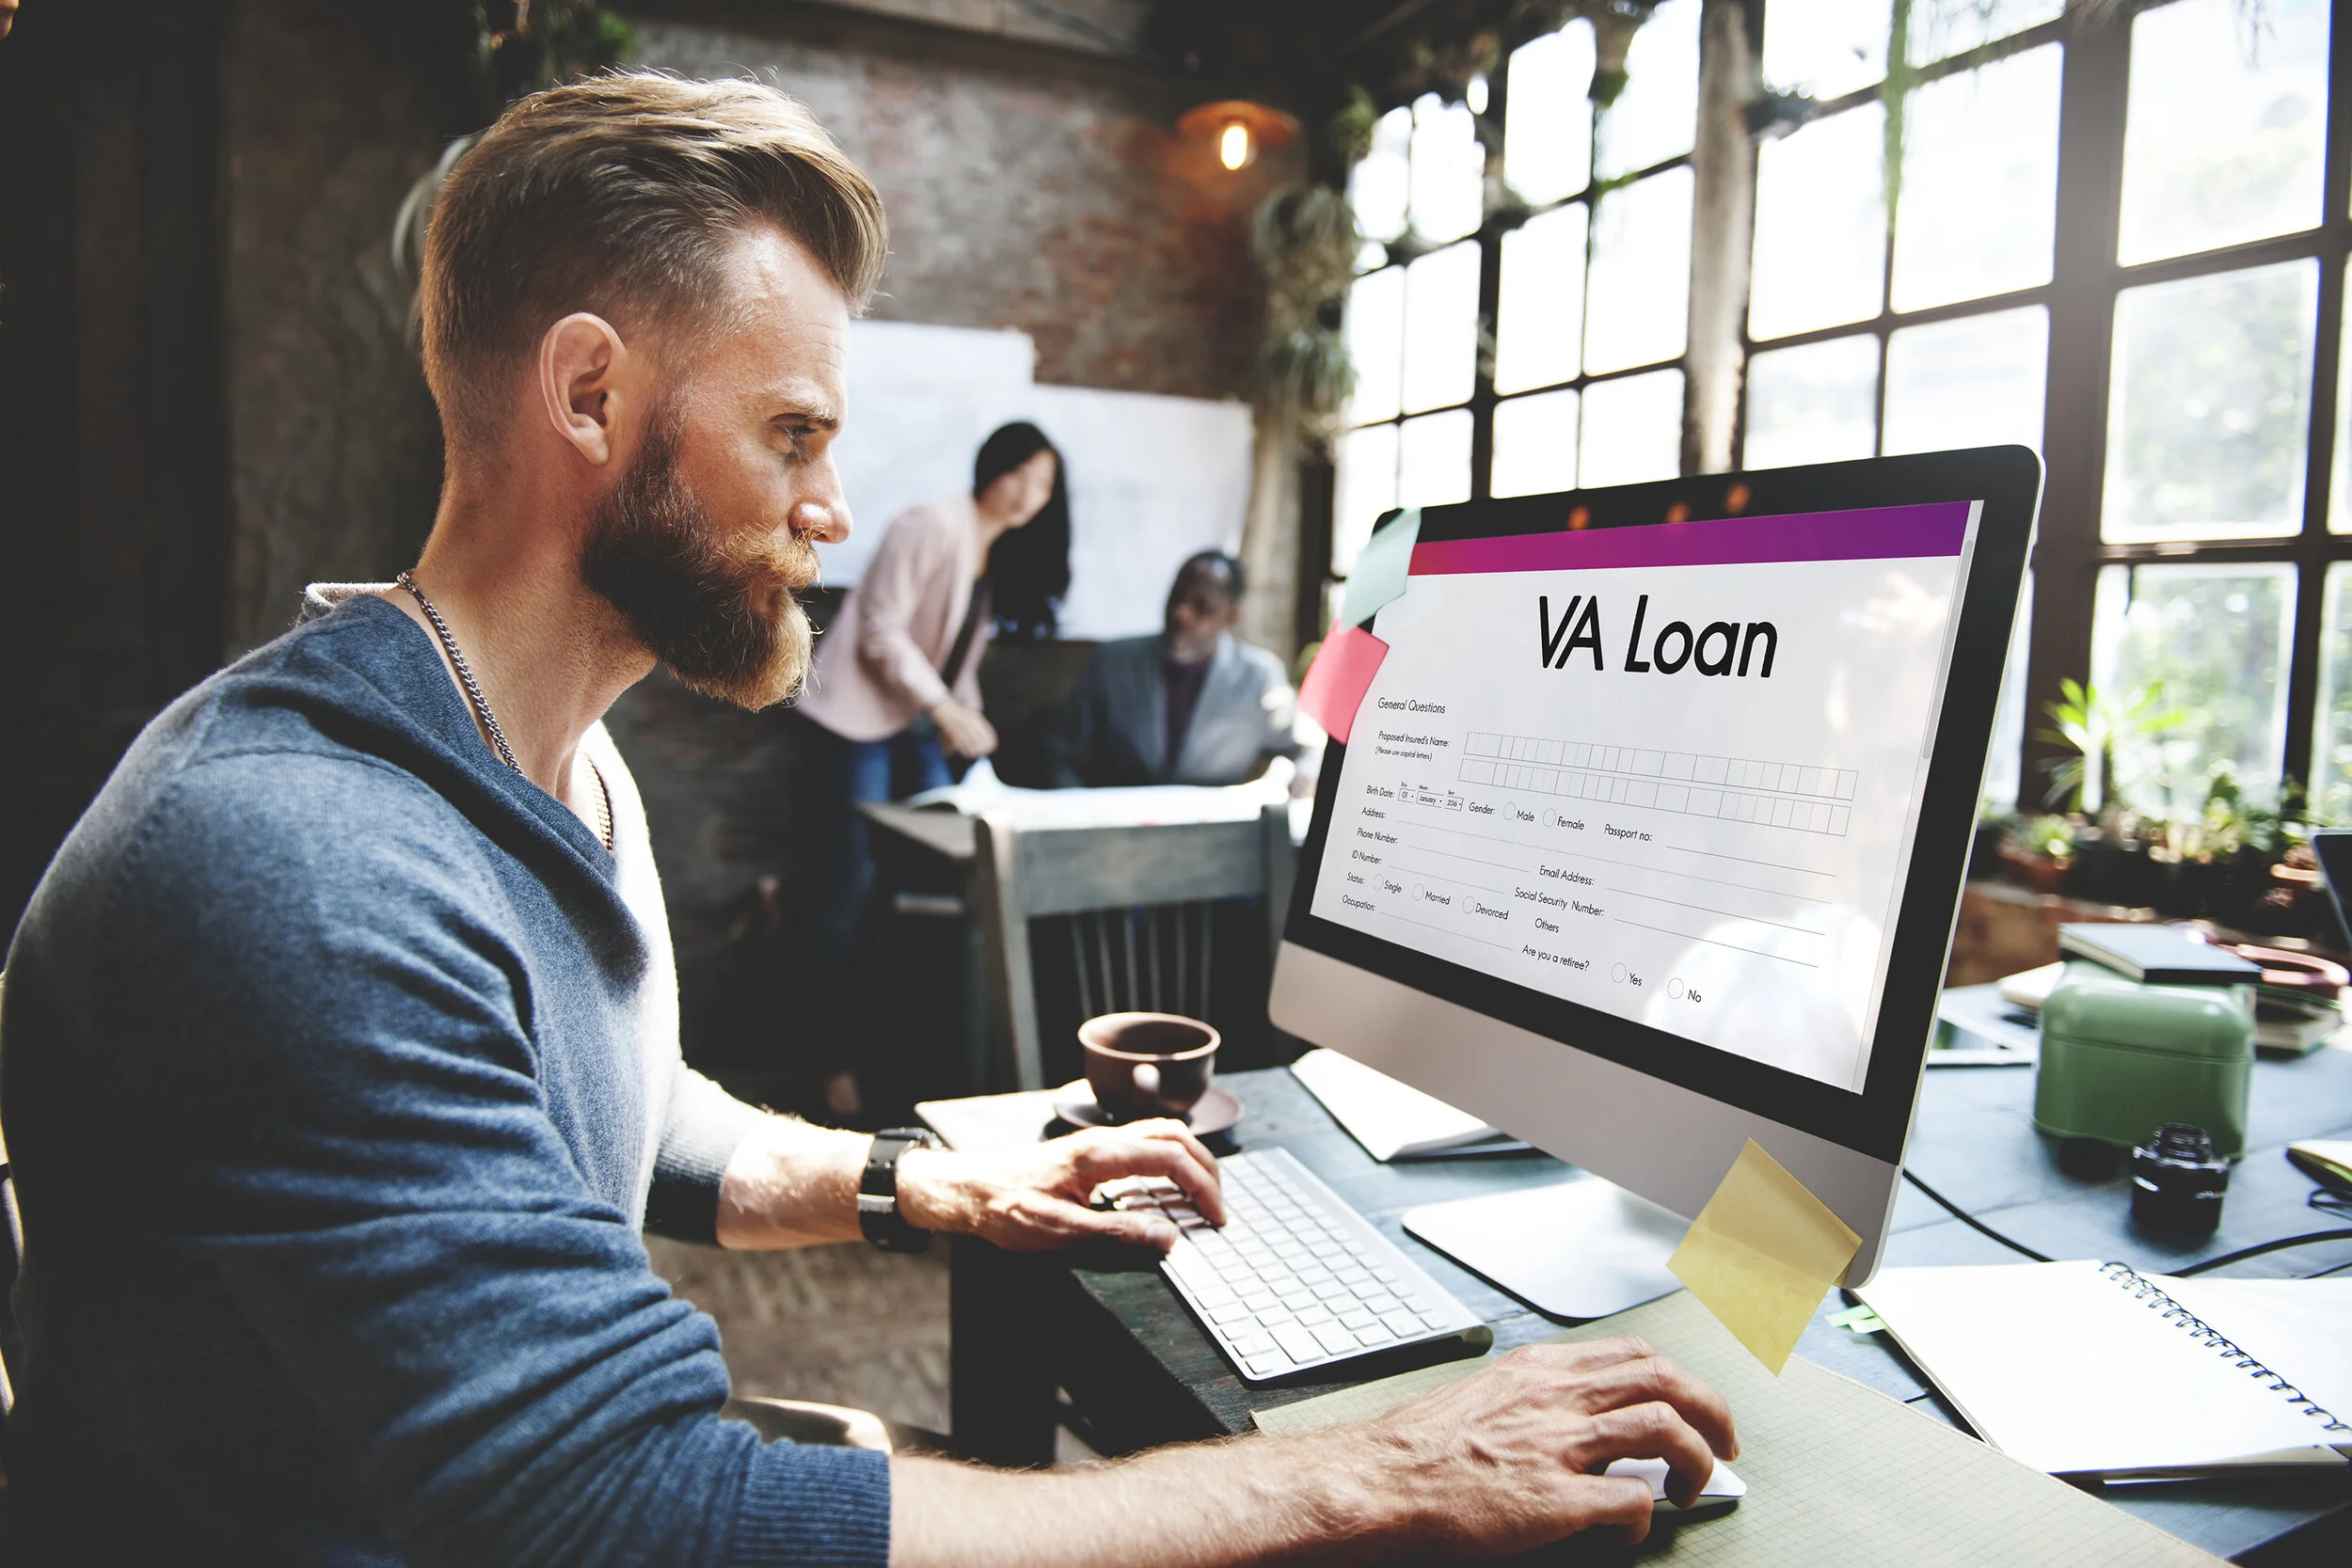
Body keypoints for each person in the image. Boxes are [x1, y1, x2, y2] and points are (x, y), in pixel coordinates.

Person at [0, 73, 1736, 1567]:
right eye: (795, 433)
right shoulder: (295, 866)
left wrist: (938, 1185)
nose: (834, 507)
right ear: (590, 396)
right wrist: (1371, 1474)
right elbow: (639, 1508)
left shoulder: (552, 761)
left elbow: (625, 1112)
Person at [795, 420, 1068, 1116]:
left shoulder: (992, 551)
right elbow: (881, 631)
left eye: (1045, 486)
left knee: (929, 888)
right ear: (992, 467)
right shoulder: (930, 523)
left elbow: (956, 659)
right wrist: (947, 709)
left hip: (916, 726)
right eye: (1022, 476)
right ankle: (830, 1060)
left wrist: (967, 725)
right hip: (858, 721)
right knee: (849, 887)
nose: (1030, 496)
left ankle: (907, 1057)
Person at [1052, 550, 1307, 790]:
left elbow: (1304, 747)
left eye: (1201, 605)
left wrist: (1304, 777)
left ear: (1231, 615)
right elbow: (1062, 751)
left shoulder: (1259, 676)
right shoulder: (1113, 662)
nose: (1181, 613)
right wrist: (1079, 809)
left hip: (1216, 829)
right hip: (1117, 824)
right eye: (1177, 596)